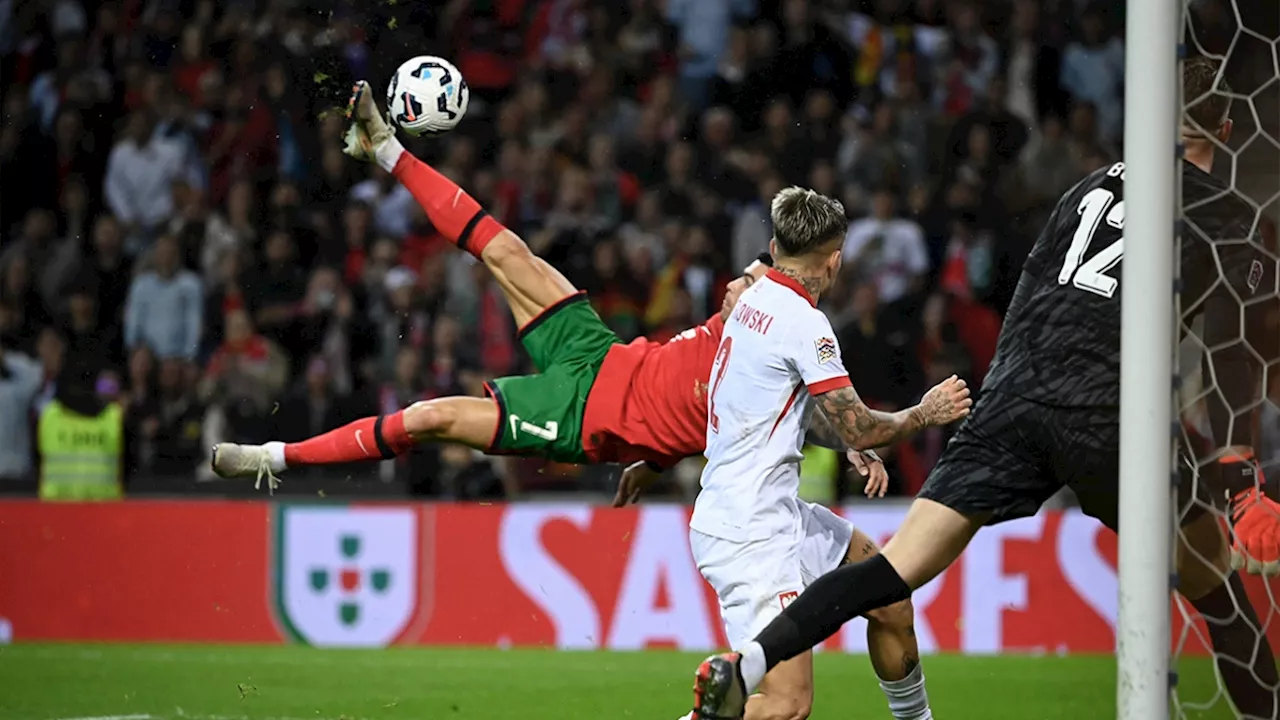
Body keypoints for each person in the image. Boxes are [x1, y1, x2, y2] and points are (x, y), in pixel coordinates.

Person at [212, 81, 956, 720]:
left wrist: (665, 449)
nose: (741, 282)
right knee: (504, 255)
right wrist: (874, 425)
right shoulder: (771, 301)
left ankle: (274, 455)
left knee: (435, 417)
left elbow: (795, 412)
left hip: (601, 421)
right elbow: (801, 386)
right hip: (601, 365)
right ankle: (384, 153)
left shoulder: (772, 331)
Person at [691, 57, 1280, 720]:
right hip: (1108, 411)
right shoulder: (1230, 215)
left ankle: (748, 664)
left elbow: (1033, 288)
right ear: (1226, 128)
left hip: (1012, 400)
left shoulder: (1087, 187)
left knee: (892, 572)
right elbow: (1245, 338)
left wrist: (1005, 392)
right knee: (1219, 593)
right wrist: (1235, 459)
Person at [690, 185, 971, 720]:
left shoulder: (751, 301)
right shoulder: (804, 322)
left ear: (774, 248)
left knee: (889, 594)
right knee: (787, 705)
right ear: (836, 261)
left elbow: (805, 412)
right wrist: (924, 413)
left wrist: (844, 440)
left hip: (766, 514)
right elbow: (863, 426)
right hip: (751, 534)